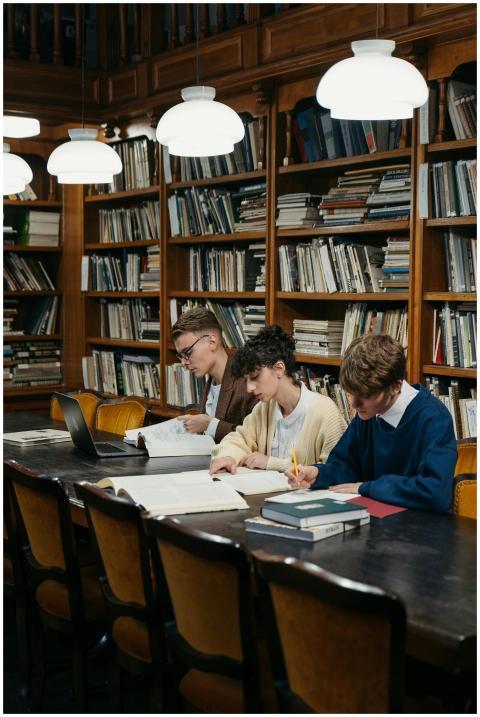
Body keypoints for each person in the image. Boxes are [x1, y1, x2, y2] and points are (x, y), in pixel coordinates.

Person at [286, 333, 457, 512]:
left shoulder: (434, 418)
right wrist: (318, 474)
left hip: (421, 529)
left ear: (395, 386)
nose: (353, 404)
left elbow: (435, 492)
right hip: (374, 519)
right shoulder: (368, 413)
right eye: (350, 393)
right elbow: (346, 466)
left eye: (365, 396)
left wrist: (367, 487)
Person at [209, 325, 347, 474]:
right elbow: (238, 438)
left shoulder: (325, 412)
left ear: (279, 368)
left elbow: (336, 472)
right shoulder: (264, 408)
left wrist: (271, 463)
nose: (249, 388)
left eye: (255, 377)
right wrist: (229, 457)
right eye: (246, 380)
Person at [172, 307, 258, 443]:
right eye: (180, 356)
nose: (184, 362)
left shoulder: (248, 383)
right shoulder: (209, 382)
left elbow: (255, 439)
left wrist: (209, 424)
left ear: (212, 342)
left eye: (188, 353)